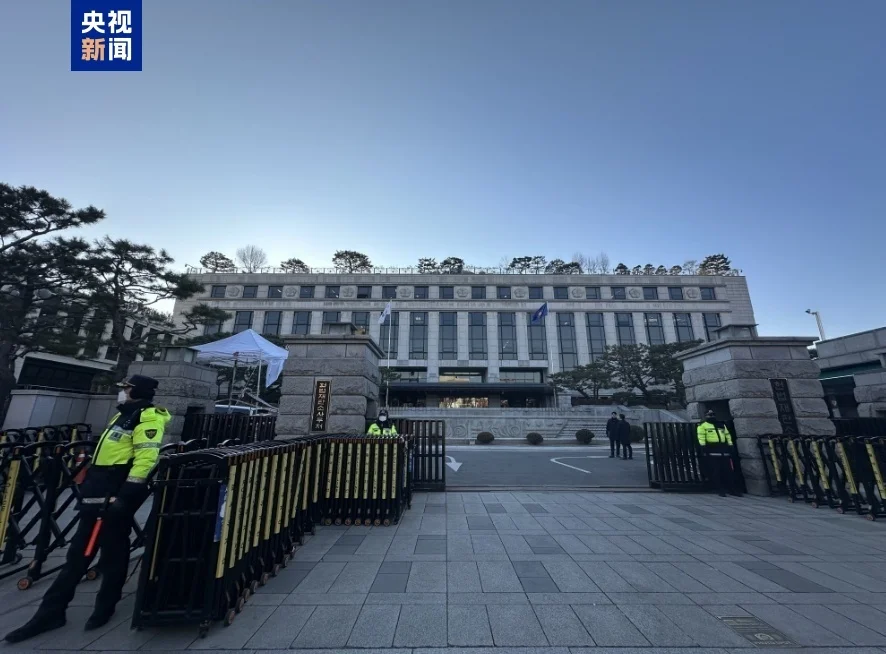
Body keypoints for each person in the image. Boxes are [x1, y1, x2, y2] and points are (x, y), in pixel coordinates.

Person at [5, 375, 170, 643]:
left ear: (136, 390)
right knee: (96, 552)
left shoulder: (146, 417)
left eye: (127, 388)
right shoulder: (123, 415)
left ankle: (89, 607)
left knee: (97, 553)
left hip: (113, 496)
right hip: (98, 491)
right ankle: (70, 609)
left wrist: (124, 496)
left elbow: (146, 458)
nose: (123, 392)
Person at [697, 410, 737, 497]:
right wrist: (703, 447)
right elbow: (701, 437)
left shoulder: (721, 424)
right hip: (711, 449)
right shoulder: (702, 426)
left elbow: (727, 435)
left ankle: (732, 489)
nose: (711, 416)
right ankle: (720, 489)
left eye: (713, 414)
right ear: (705, 416)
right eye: (709, 415)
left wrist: (730, 445)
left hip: (723, 449)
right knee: (716, 471)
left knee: (728, 470)